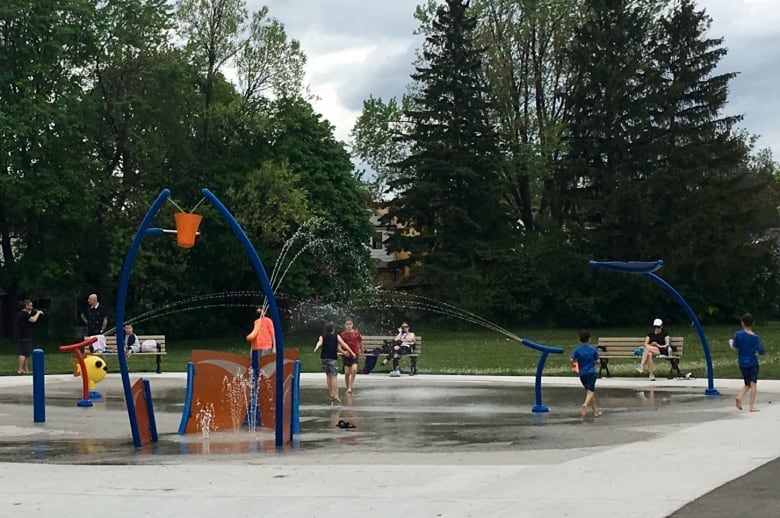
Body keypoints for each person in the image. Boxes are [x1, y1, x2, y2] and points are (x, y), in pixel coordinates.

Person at [729, 313, 765, 412]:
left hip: (742, 363)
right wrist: (758, 353)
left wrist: (730, 342)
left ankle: (740, 397)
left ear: (742, 323)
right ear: (753, 323)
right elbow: (761, 351)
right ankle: (752, 406)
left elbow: (734, 347)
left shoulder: (738, 334)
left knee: (747, 383)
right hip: (752, 363)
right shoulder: (755, 337)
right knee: (753, 384)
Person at [314, 322, 355, 404]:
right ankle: (336, 395)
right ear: (333, 329)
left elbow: (320, 342)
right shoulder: (336, 336)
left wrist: (316, 347)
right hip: (332, 358)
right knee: (334, 376)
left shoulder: (322, 336)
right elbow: (344, 344)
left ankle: (331, 393)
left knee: (328, 375)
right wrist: (352, 352)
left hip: (324, 358)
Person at [571, 330, 601, 418]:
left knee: (589, 393)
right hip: (591, 372)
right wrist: (593, 361)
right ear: (589, 339)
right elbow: (598, 361)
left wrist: (575, 367)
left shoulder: (577, 350)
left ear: (580, 340)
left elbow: (571, 360)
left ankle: (595, 412)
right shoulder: (592, 349)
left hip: (582, 374)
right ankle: (585, 404)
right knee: (591, 392)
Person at [16, 300, 44, 374]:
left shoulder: (21, 314)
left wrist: (33, 312)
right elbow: (33, 320)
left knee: (26, 353)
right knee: (23, 353)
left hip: (23, 335)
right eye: (30, 305)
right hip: (25, 335)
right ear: (26, 305)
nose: (32, 307)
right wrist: (38, 313)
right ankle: (20, 369)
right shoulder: (24, 314)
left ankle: (26, 369)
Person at [339, 319, 362, 394]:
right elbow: (339, 346)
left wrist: (361, 351)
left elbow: (360, 342)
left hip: (355, 354)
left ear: (352, 325)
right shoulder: (342, 335)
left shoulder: (356, 333)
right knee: (347, 373)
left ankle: (350, 387)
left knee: (354, 369)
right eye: (347, 324)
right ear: (344, 325)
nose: (349, 326)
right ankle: (347, 386)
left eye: (350, 324)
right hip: (346, 355)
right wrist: (343, 352)